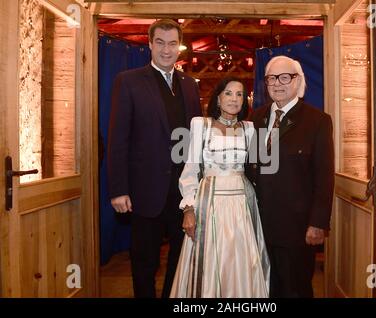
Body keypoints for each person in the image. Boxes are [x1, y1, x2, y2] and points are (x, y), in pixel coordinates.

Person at [107, 19, 201, 298]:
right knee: (145, 261)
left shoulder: (189, 84)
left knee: (180, 258)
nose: (166, 49)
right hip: (144, 190)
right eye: (160, 42)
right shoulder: (129, 81)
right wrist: (118, 189)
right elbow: (117, 139)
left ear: (179, 48)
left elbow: (196, 139)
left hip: (183, 192)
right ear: (149, 44)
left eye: (172, 43)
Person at [170, 77, 270, 298]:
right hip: (209, 203)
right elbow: (190, 170)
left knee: (241, 261)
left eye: (239, 94)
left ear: (245, 101)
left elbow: (265, 169)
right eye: (228, 93)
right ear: (217, 98)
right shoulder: (200, 125)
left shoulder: (250, 129)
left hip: (242, 206)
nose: (234, 99)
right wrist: (188, 209)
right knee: (210, 262)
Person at [249, 55, 334, 298]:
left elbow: (324, 176)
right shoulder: (257, 117)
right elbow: (253, 166)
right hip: (260, 225)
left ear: (298, 81)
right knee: (267, 286)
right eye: (271, 78)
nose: (277, 83)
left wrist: (318, 222)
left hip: (297, 228)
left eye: (285, 77)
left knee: (295, 288)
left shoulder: (317, 121)